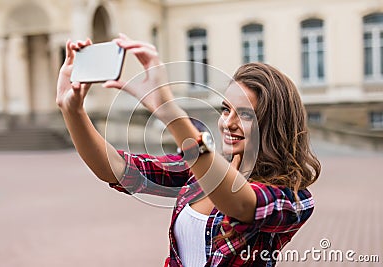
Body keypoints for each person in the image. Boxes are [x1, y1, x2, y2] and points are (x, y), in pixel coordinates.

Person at [56, 34, 321, 267]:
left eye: (245, 115)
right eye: (225, 109)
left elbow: (239, 202)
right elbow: (116, 169)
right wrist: (72, 111)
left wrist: (168, 110)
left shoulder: (294, 199)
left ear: (272, 124)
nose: (228, 122)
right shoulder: (198, 172)